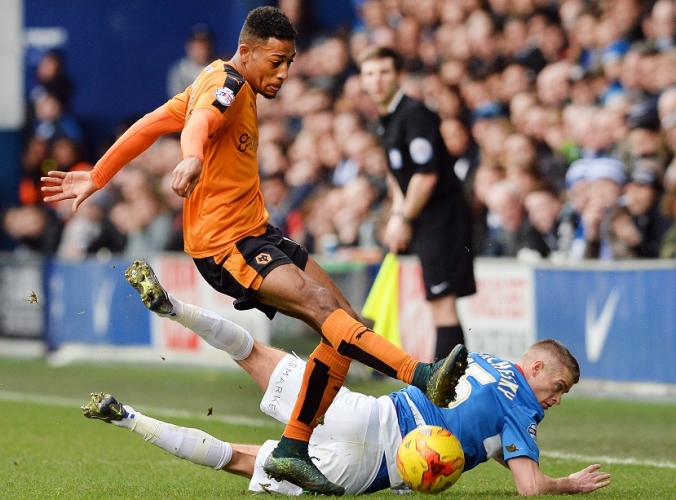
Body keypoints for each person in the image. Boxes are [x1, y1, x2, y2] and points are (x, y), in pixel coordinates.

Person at [41, 7, 467, 495]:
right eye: (276, 61)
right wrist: (191, 158)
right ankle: (421, 374)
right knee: (323, 308)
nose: (283, 73)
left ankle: (293, 448)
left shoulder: (217, 81)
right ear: (245, 52)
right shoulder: (226, 85)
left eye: (290, 62)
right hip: (226, 245)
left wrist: (97, 175)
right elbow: (198, 125)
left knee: (345, 324)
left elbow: (150, 123)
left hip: (259, 232)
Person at [81, 271, 611, 496]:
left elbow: (483, 433)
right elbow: (529, 486)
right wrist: (567, 483)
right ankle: (127, 418)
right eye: (559, 386)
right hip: (373, 465)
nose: (557, 399)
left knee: (252, 351)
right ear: (535, 369)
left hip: (363, 411)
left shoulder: (487, 362)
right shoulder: (524, 409)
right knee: (237, 458)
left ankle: (173, 306)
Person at [359, 46, 476, 361]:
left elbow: (425, 176)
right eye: (370, 74)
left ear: (398, 75)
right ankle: (447, 378)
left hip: (443, 217)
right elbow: (399, 177)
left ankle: (445, 382)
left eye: (384, 72)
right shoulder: (387, 119)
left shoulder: (414, 114)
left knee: (442, 301)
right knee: (438, 301)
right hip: (425, 217)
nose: (377, 80)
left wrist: (405, 219)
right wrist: (398, 214)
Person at [166, 24, 215, 98]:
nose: (201, 50)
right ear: (189, 47)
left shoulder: (218, 68)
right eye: (197, 46)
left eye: (204, 46)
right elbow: (177, 99)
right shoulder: (179, 70)